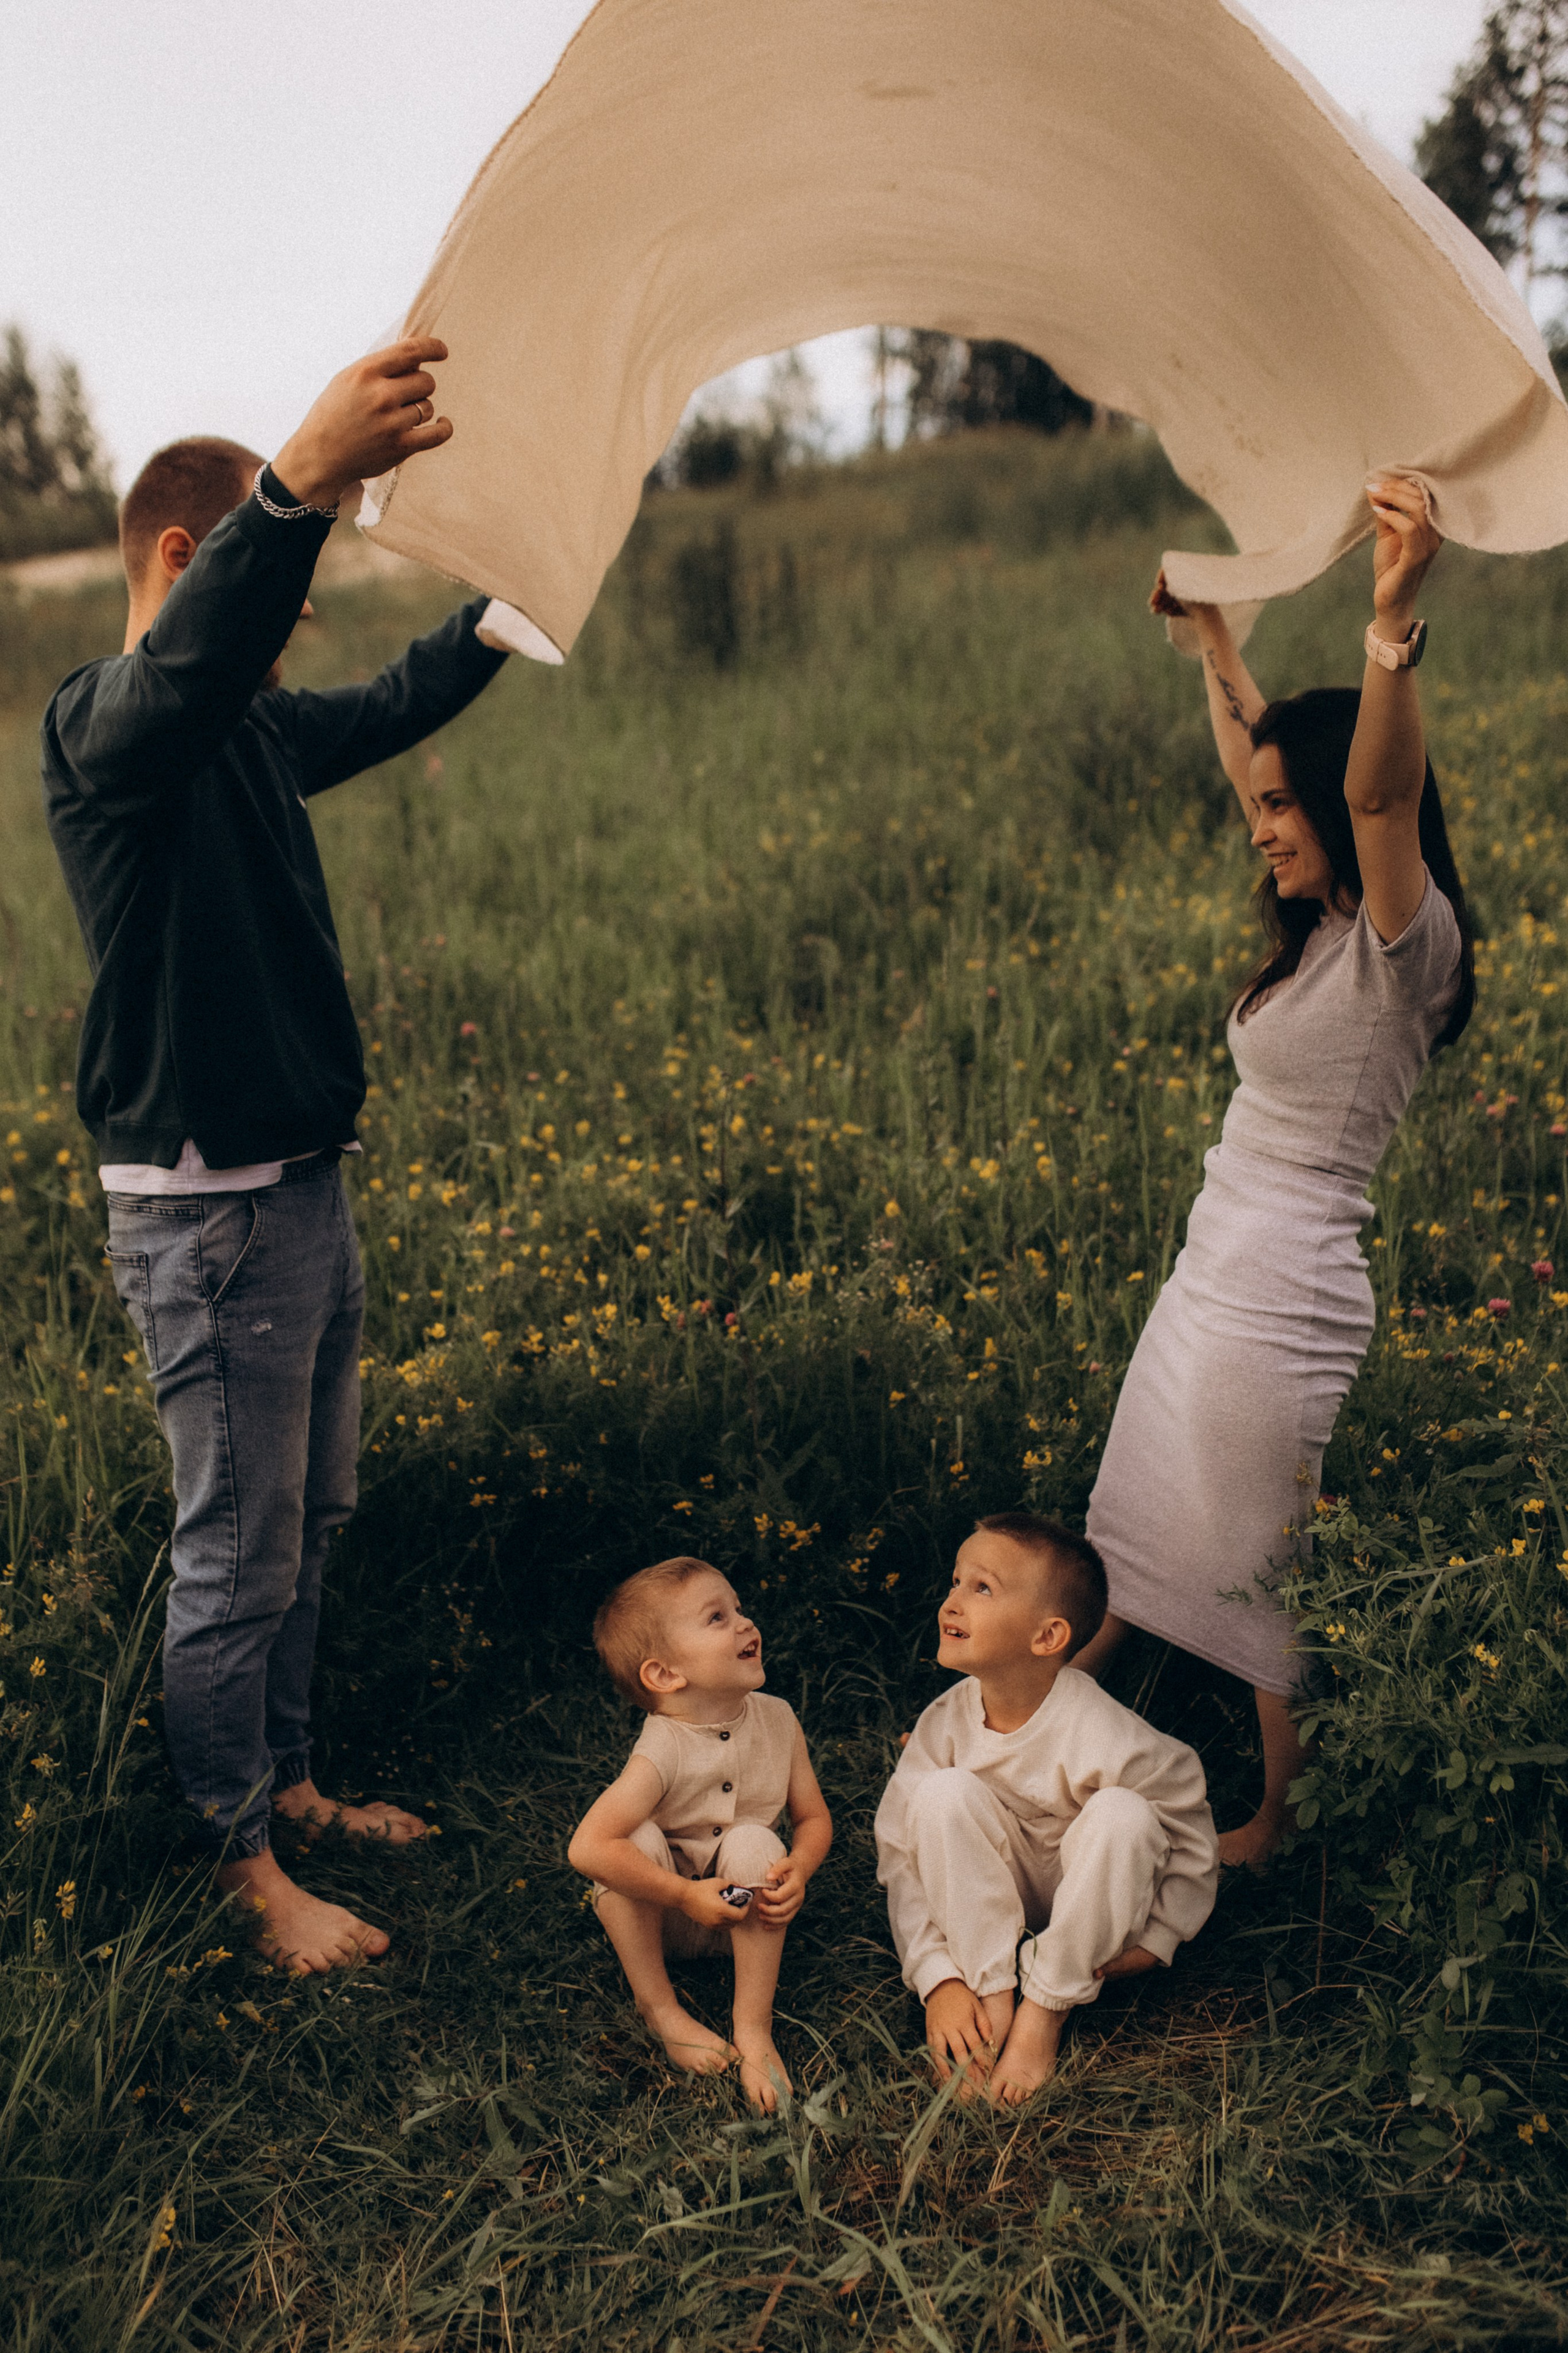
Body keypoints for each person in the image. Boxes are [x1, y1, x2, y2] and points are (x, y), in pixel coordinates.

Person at [41, 339, 513, 1972]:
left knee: (305, 1521)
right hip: (209, 1215)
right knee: (235, 1551)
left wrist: (505, 603)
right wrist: (303, 484)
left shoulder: (241, 729)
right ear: (188, 558)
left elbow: (387, 705)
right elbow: (181, 673)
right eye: (271, 587)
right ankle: (238, 1868)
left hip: (302, 1188)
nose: (289, 628)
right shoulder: (107, 727)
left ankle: (291, 1784)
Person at [1076, 477, 1474, 1865]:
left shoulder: (1399, 947)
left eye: (1279, 807)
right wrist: (1215, 644)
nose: (1259, 823)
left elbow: (1376, 787)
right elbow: (1265, 758)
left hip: (1284, 1288)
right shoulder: (1319, 929)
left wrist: (1389, 620)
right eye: (1257, 806)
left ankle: (1281, 1810)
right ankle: (1057, 1689)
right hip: (1214, 1264)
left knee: (1257, 1552)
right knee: (1140, 1494)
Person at [875, 1513, 1219, 2104]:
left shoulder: (1103, 1730)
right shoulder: (944, 1723)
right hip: (985, 1890)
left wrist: (1159, 1935)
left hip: (1089, 1900)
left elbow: (1186, 1821)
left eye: (982, 1588)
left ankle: (1044, 2007)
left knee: (1124, 1814)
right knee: (938, 1795)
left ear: (1047, 1637)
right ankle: (989, 1993)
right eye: (956, 1581)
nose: (952, 1602)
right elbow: (901, 1853)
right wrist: (937, 1978)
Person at [567, 1555, 833, 2112]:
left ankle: (753, 2027)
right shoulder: (663, 1746)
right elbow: (586, 1846)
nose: (745, 1623)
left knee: (755, 1842)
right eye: (717, 1617)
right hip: (663, 1916)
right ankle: (661, 2009)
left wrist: (802, 1866)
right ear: (665, 1675)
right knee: (632, 1840)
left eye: (738, 1608)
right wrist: (685, 1894)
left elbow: (812, 1818)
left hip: (743, 1913)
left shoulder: (779, 1719)